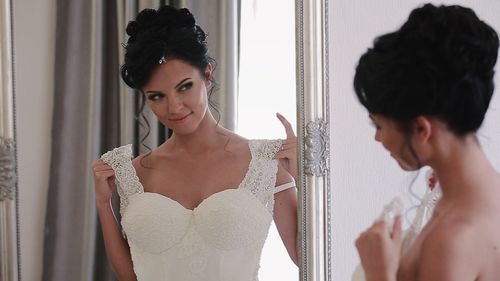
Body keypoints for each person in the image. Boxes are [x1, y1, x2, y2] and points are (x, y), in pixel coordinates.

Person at [91, 5, 298, 281]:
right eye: (156, 96)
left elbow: (303, 256)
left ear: (207, 74)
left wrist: (301, 177)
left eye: (184, 86)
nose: (173, 107)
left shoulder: (264, 163)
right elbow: (130, 275)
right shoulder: (135, 173)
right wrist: (103, 204)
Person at [353, 3, 500, 281]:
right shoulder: (481, 199)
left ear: (421, 129)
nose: (377, 138)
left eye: (379, 125)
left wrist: (379, 274)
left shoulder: (451, 239)